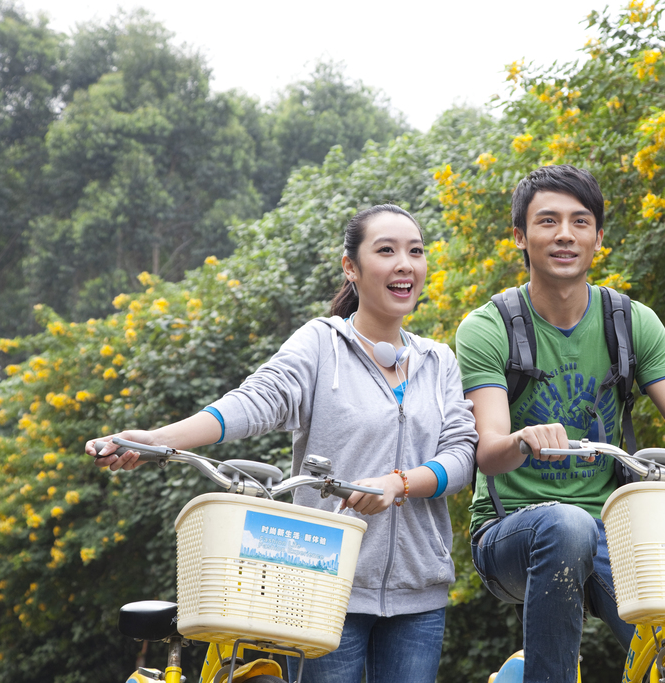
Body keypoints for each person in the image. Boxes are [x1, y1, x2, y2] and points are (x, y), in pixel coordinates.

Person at [87, 204, 478, 683]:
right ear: (351, 268)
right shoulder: (320, 344)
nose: (405, 264)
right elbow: (254, 401)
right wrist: (159, 440)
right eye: (386, 251)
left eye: (415, 252)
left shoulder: (438, 361)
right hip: (323, 589)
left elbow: (461, 459)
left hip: (419, 596)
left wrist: (399, 483)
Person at [454, 165, 665, 683]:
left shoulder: (631, 322)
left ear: (598, 238)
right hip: (511, 530)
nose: (565, 234)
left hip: (613, 530)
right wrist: (523, 441)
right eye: (548, 221)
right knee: (567, 524)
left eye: (580, 222)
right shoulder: (489, 327)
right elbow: (489, 449)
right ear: (520, 236)